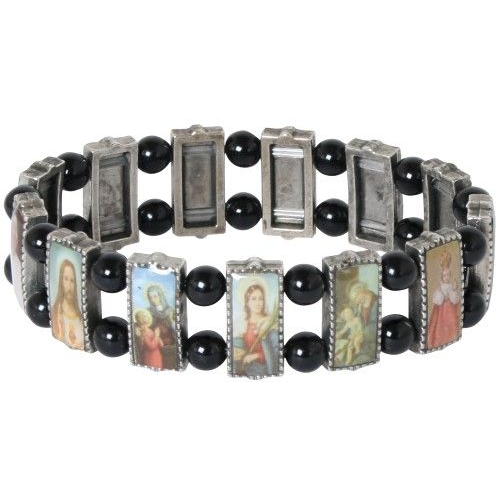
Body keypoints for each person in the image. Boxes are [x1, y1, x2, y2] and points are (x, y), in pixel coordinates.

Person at [233, 282, 279, 377]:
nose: (258, 303)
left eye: (260, 299)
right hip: (246, 369)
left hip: (264, 369)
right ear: (247, 302)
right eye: (253, 299)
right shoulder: (243, 324)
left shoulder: (270, 323)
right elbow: (239, 347)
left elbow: (276, 352)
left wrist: (257, 356)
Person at [428, 250, 460, 349]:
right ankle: (440, 340)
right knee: (440, 325)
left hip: (450, 310)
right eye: (444, 275)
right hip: (441, 311)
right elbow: (437, 300)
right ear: (442, 276)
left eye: (448, 275)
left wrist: (454, 289)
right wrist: (441, 293)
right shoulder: (440, 286)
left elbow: (455, 299)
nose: (446, 277)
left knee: (451, 324)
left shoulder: (451, 285)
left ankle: (451, 337)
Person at [51, 259, 84, 350]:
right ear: (61, 281)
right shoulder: (55, 312)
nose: (69, 286)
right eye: (66, 279)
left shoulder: (80, 315)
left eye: (72, 281)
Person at [145, 284, 176, 369]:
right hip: (156, 344)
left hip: (171, 343)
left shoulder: (170, 310)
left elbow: (175, 326)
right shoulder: (148, 312)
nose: (153, 299)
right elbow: (144, 324)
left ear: (160, 296)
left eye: (155, 296)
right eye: (150, 297)